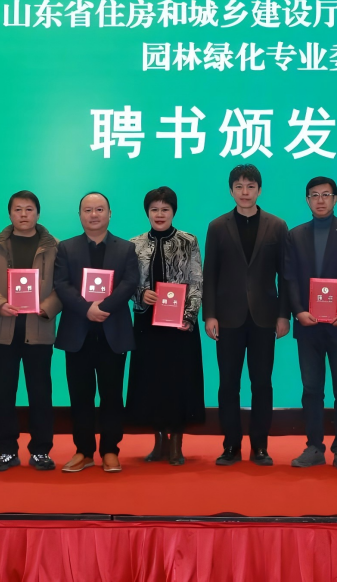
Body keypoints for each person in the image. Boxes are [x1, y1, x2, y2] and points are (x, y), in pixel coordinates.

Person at [203, 164, 291, 466]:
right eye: (239, 186)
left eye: (250, 186)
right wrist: (209, 314)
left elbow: (285, 275)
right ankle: (231, 445)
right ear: (231, 191)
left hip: (265, 317)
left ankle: (260, 446)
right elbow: (210, 273)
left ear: (259, 190)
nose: (245, 192)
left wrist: (284, 315)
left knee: (262, 383)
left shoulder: (277, 225)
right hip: (227, 317)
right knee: (228, 383)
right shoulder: (217, 226)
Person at [0, 191, 62, 472]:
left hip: (39, 328)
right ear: (10, 214)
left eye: (29, 209)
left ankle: (41, 450)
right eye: (18, 209)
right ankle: (6, 451)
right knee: (3, 392)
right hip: (3, 329)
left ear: (38, 213)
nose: (23, 214)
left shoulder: (55, 246)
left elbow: (64, 284)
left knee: (40, 393)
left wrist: (47, 307)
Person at [54, 192, 140, 473]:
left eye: (100, 209)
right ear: (80, 215)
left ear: (109, 214)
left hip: (113, 332)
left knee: (112, 395)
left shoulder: (126, 248)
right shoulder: (66, 248)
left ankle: (111, 450)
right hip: (77, 332)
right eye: (88, 210)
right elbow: (61, 284)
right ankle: (84, 451)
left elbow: (129, 283)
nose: (94, 215)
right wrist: (86, 309)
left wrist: (102, 307)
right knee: (80, 395)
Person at [284, 176, 337, 472]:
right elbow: (290, 278)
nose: (320, 200)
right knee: (311, 388)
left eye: (326, 195)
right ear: (307, 200)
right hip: (308, 324)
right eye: (314, 195)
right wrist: (298, 311)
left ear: (335, 198)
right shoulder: (295, 234)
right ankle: (314, 446)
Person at [125, 187, 205, 466]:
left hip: (179, 325)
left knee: (179, 382)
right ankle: (159, 440)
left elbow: (196, 281)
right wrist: (140, 294)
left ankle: (177, 444)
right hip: (147, 324)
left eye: (165, 209)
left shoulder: (188, 241)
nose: (159, 214)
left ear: (174, 212)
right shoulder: (134, 244)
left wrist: (189, 316)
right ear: (147, 212)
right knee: (152, 382)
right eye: (154, 209)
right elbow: (127, 282)